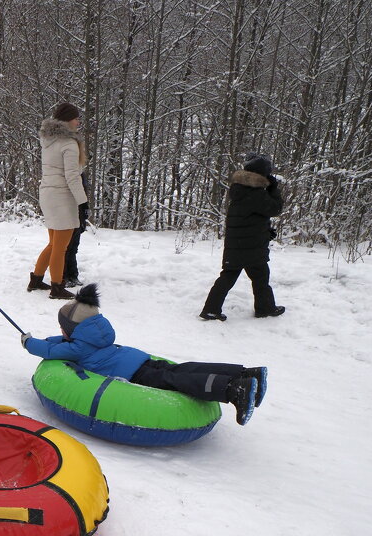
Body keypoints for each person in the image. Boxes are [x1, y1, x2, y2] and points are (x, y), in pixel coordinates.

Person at [22, 284, 268, 425]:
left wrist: (29, 342)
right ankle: (244, 374)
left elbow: (51, 350)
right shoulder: (94, 335)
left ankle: (234, 390)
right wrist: (51, 338)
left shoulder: (76, 348)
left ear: (72, 330)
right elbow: (59, 343)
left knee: (177, 380)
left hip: (133, 374)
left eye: (62, 328)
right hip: (139, 359)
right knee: (181, 369)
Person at [200, 153, 285, 320]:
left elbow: (250, 219)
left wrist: (265, 231)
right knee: (260, 277)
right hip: (251, 246)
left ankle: (211, 309)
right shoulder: (255, 193)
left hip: (238, 244)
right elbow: (275, 209)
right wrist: (273, 189)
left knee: (229, 276)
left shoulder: (241, 190)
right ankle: (265, 308)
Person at [28, 102, 88, 300]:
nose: (79, 121)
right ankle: (57, 287)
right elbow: (72, 176)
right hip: (62, 197)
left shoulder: (49, 140)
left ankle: (36, 279)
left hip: (48, 195)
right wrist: (83, 202)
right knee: (60, 247)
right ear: (67, 120)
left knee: (53, 243)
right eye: (76, 118)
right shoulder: (69, 144)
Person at [62, 173, 90, 288]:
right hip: (68, 213)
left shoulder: (81, 174)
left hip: (78, 214)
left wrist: (84, 215)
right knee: (65, 248)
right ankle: (63, 276)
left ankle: (73, 275)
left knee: (73, 247)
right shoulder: (68, 173)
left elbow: (83, 194)